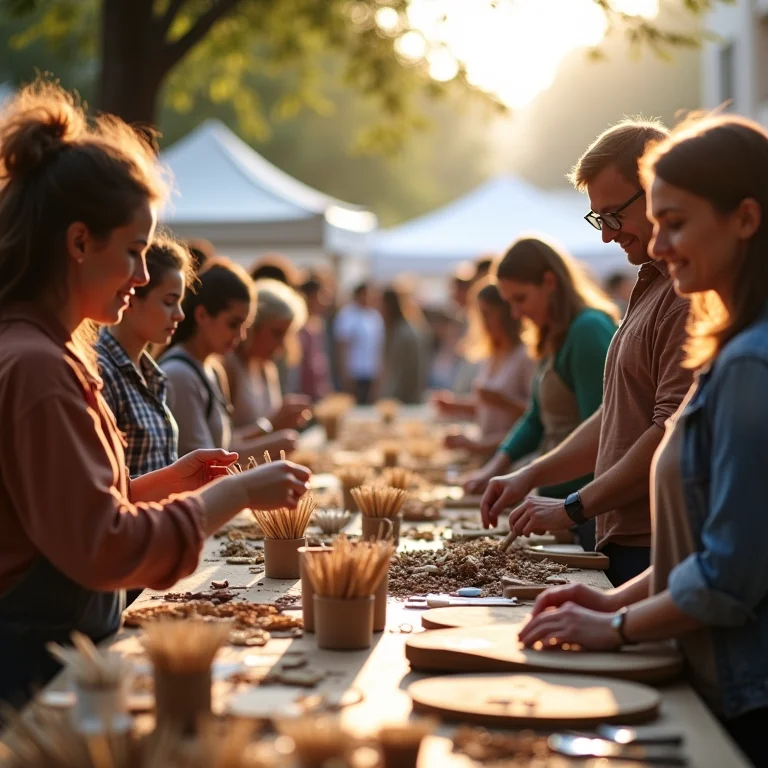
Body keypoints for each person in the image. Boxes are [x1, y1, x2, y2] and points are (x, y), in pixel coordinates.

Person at [0, 81, 310, 708]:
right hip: (32, 673)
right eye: (134, 253)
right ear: (79, 242)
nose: (141, 276)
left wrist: (167, 483)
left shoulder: (46, 350)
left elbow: (66, 514)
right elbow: (103, 547)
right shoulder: (35, 366)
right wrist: (233, 493)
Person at [519, 114, 768, 767]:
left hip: (747, 696)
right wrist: (610, 601)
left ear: (745, 219)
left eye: (675, 224)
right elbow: (705, 553)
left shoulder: (751, 363)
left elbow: (727, 576)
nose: (658, 243)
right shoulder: (731, 350)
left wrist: (615, 623)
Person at [480, 120, 693, 586]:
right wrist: (527, 475)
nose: (606, 236)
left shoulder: (684, 295)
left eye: (613, 216)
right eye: (599, 219)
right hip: (624, 533)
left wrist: (573, 505)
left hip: (653, 538)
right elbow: (614, 417)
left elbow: (669, 431)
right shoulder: (652, 285)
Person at [463, 240, 617, 549]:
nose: (516, 313)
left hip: (585, 508)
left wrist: (530, 477)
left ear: (549, 282)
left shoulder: (587, 330)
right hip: (558, 502)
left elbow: (603, 432)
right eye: (510, 303)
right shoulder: (554, 334)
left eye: (521, 299)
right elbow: (536, 418)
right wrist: (495, 468)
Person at [160, 260, 298, 460]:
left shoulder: (213, 369)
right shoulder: (180, 374)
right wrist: (274, 439)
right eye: (233, 324)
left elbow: (226, 445)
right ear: (202, 315)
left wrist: (272, 435)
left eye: (245, 326)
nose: (241, 336)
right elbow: (206, 464)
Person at [96, 234, 194, 479]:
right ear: (130, 297)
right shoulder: (101, 371)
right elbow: (101, 482)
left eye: (180, 303)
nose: (179, 315)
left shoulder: (151, 373)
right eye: (169, 302)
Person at [434, 278, 535, 457]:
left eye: (488, 314)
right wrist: (455, 406)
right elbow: (488, 407)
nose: (483, 322)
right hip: (488, 453)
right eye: (480, 315)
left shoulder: (524, 356)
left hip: (511, 457)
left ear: (506, 314)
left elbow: (536, 417)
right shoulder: (492, 354)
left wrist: (504, 402)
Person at [224, 278, 312, 434]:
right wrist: (272, 424)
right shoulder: (228, 367)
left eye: (286, 335)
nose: (282, 344)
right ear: (252, 326)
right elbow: (221, 442)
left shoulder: (267, 368)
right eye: (276, 333)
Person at [334, 281, 384, 405]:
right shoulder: (346, 314)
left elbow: (378, 347)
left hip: (371, 372)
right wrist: (344, 372)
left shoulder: (375, 316)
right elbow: (342, 345)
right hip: (353, 371)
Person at [380, 284, 428, 404]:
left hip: (404, 399)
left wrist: (388, 397)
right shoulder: (399, 330)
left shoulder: (403, 334)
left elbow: (399, 373)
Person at [297, 273, 333, 402]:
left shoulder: (318, 325)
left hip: (317, 394)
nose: (325, 301)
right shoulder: (298, 327)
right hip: (302, 394)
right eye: (321, 295)